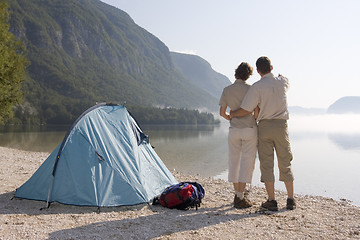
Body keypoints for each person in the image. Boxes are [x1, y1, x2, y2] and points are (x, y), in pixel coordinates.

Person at [230, 56, 295, 211]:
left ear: (258, 71)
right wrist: (279, 76)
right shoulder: (282, 82)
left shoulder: (257, 87)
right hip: (281, 126)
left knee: (266, 164)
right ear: (271, 68)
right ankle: (290, 199)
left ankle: (272, 200)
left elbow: (246, 109)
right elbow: (285, 78)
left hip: (264, 127)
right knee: (285, 162)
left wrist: (233, 113)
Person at [219, 62, 259, 209]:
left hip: (234, 129)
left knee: (234, 161)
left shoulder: (227, 90)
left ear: (236, 73)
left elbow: (222, 113)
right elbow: (256, 111)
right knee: (247, 162)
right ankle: (240, 197)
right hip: (249, 128)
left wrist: (231, 118)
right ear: (248, 75)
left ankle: (237, 194)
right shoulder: (251, 89)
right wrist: (253, 119)